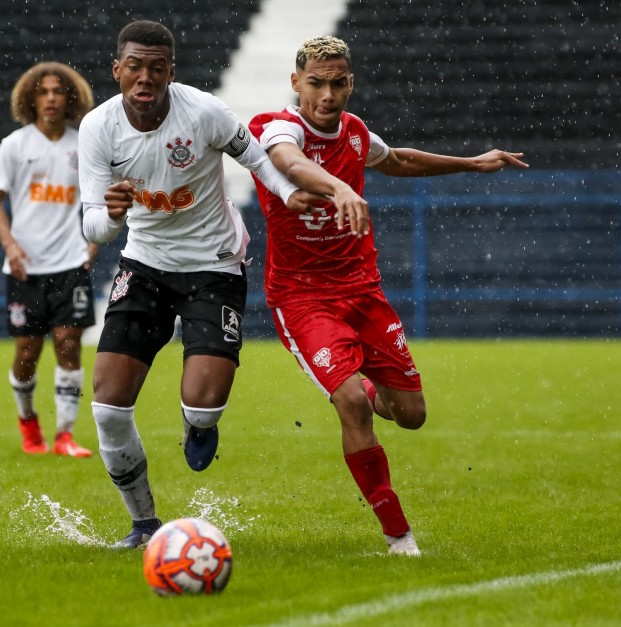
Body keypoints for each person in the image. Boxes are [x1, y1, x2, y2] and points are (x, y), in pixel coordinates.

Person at [78, 21, 369, 548]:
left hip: (213, 265)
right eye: (135, 67)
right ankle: (143, 524)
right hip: (143, 264)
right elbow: (92, 225)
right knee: (108, 409)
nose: (145, 78)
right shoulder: (97, 128)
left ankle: (199, 424)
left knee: (203, 405)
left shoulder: (205, 112)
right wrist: (112, 217)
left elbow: (255, 154)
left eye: (157, 68)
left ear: (171, 71)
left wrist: (283, 193)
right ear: (117, 70)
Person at [249, 35, 529, 556]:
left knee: (412, 415)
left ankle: (380, 391)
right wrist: (341, 187)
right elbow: (286, 160)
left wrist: (471, 163)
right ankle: (398, 534)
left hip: (362, 289)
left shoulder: (354, 132)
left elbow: (397, 159)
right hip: (302, 298)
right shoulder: (275, 126)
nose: (327, 95)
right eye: (316, 83)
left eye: (338, 83)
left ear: (350, 83)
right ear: (296, 83)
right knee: (350, 401)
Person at [0, 61, 99, 458]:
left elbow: (98, 196)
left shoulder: (82, 143)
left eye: (58, 91)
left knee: (68, 343)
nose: (51, 98)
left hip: (71, 262)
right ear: (30, 98)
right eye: (43, 91)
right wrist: (11, 247)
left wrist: (95, 242)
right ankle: (29, 423)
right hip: (25, 267)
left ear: (70, 99)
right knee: (27, 352)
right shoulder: (15, 145)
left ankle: (65, 435)